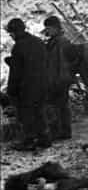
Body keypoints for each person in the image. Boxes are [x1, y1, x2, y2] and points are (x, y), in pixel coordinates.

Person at [6, 18, 51, 151]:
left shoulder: (18, 47)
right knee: (39, 111)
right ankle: (44, 138)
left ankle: (29, 141)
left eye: (11, 34)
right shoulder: (38, 42)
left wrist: (11, 89)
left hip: (27, 86)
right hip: (42, 83)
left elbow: (16, 72)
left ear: (15, 32)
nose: (11, 36)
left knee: (26, 114)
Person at [43, 16, 73, 141]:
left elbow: (64, 63)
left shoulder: (62, 42)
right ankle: (61, 130)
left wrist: (62, 80)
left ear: (55, 28)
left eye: (48, 28)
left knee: (60, 106)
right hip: (54, 78)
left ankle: (63, 131)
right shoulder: (54, 41)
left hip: (60, 79)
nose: (47, 31)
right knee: (58, 105)